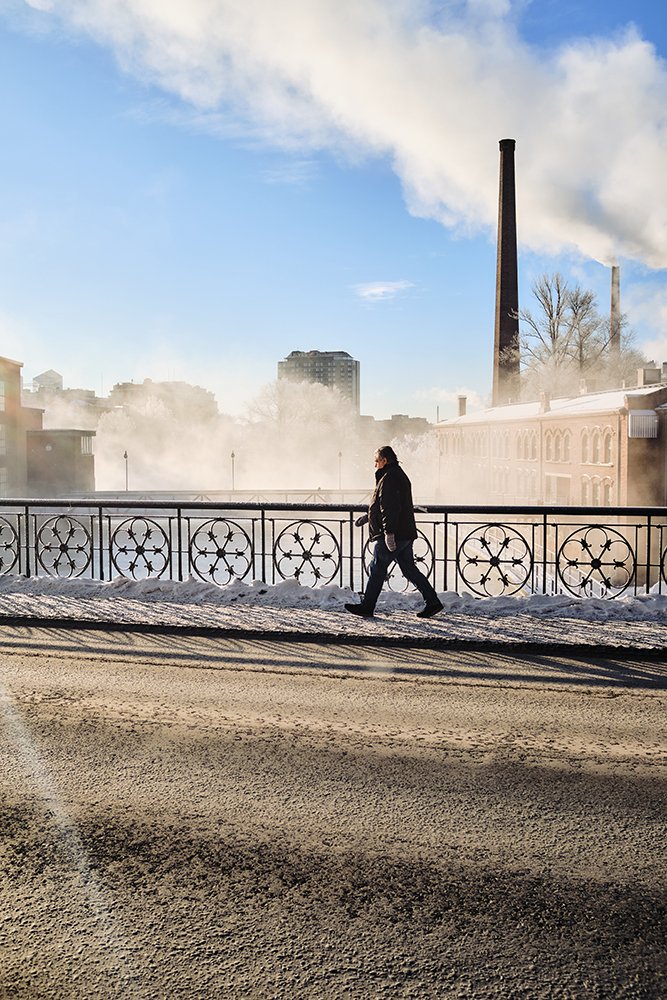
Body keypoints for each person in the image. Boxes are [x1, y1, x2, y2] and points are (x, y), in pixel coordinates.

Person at [345, 446, 444, 618]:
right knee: (409, 569)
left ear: (384, 460)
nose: (375, 465)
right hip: (404, 532)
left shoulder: (390, 477)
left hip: (395, 533)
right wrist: (369, 517)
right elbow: (387, 505)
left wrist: (389, 533)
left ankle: (367, 606)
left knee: (377, 568)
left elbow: (391, 508)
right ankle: (433, 601)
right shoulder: (395, 475)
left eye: (376, 461)